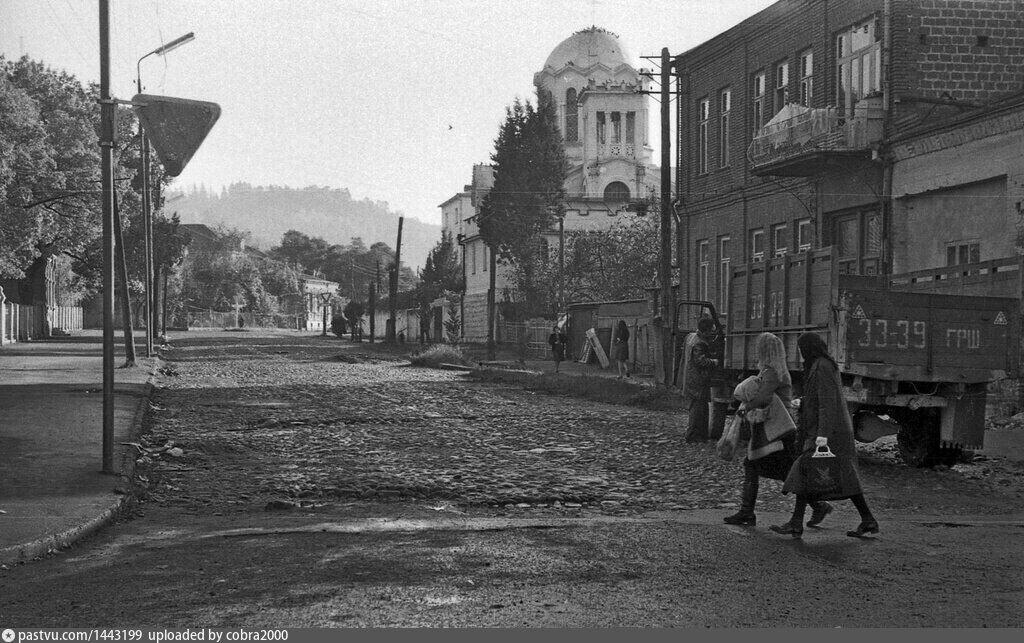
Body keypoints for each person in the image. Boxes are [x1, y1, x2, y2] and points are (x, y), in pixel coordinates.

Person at [770, 332, 880, 539]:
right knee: (839, 476)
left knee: (806, 470)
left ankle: (796, 522)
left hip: (829, 432)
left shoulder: (821, 366)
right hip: (829, 430)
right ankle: (867, 519)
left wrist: (823, 435)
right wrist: (803, 402)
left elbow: (828, 403)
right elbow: (821, 398)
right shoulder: (821, 365)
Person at [723, 332, 832, 528]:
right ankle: (748, 511)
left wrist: (746, 406)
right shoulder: (774, 370)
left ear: (763, 350)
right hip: (776, 429)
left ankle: (817, 505)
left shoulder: (771, 372)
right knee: (764, 467)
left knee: (783, 471)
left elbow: (764, 398)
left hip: (778, 430)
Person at [681, 317, 719, 443]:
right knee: (698, 408)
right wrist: (714, 362)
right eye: (710, 330)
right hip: (697, 379)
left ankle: (699, 435)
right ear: (705, 330)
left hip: (690, 377)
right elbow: (700, 361)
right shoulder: (699, 343)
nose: (711, 333)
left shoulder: (690, 337)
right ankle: (693, 435)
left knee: (697, 407)